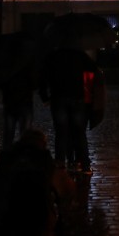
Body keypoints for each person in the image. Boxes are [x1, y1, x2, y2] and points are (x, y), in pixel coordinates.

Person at [0, 128, 74, 236]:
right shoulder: (44, 161)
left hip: (6, 219)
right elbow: (67, 189)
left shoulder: (6, 160)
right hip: (39, 220)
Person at [39, 47, 99, 175]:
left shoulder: (52, 56)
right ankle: (85, 165)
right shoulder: (80, 55)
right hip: (78, 97)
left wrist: (44, 97)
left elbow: (42, 77)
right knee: (79, 133)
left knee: (61, 133)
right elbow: (94, 70)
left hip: (58, 98)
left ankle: (60, 164)